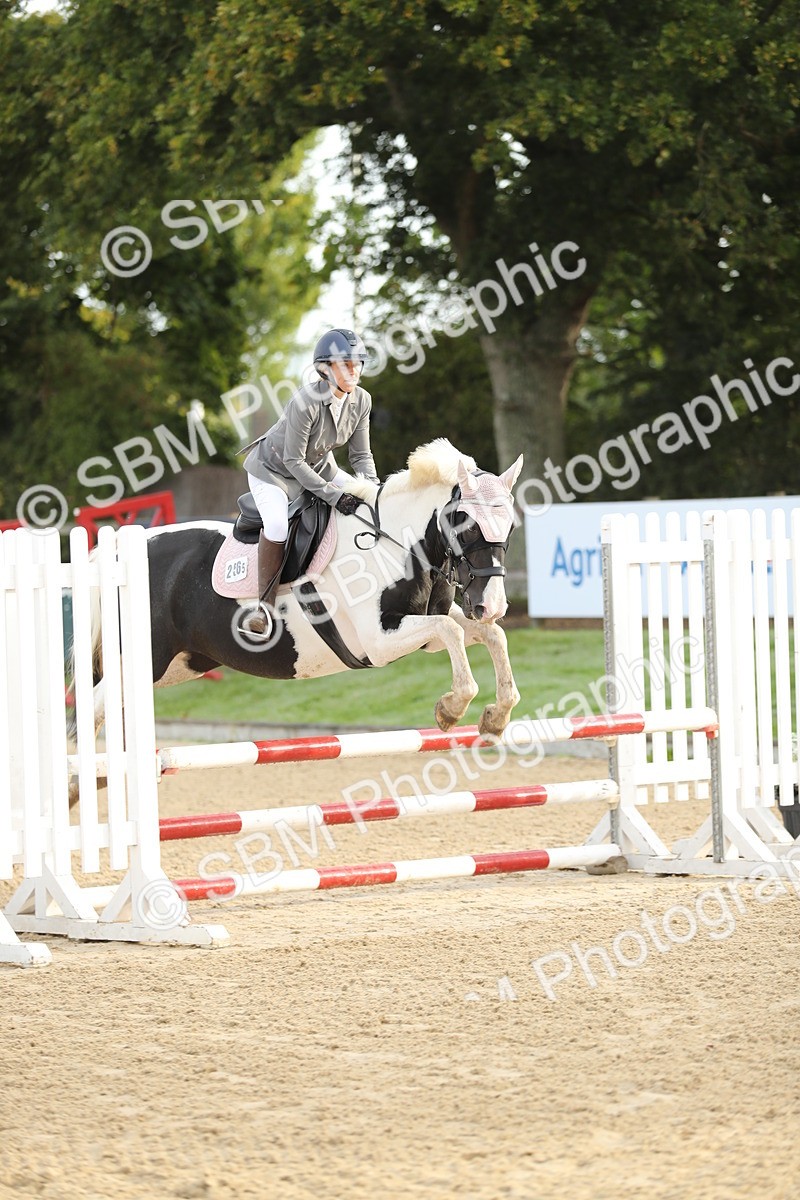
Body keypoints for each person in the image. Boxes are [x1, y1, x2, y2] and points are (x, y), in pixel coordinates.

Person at [241, 327, 379, 637]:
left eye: (357, 363)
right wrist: (333, 496)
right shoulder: (305, 401)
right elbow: (293, 461)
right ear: (324, 369)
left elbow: (360, 456)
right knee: (277, 525)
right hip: (273, 471)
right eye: (345, 364)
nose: (354, 370)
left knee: (366, 500)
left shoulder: (362, 400)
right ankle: (263, 607)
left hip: (319, 467)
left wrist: (374, 489)